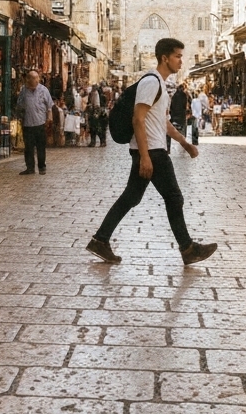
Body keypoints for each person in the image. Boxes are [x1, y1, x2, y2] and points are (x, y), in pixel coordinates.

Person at [85, 38, 218, 266]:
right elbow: (138, 119)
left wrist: (184, 143)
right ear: (165, 58)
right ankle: (187, 248)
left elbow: (161, 122)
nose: (181, 61)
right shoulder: (151, 82)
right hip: (153, 151)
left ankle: (100, 240)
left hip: (151, 149)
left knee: (131, 197)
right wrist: (145, 156)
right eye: (177, 56)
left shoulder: (159, 84)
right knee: (174, 198)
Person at [16, 68, 53, 174]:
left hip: (40, 123)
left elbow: (49, 106)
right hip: (27, 124)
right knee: (28, 148)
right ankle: (30, 168)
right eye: (33, 78)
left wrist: (49, 119)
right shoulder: (24, 91)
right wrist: (20, 116)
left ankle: (42, 167)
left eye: (37, 78)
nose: (36, 80)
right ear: (28, 79)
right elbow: (19, 105)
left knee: (41, 147)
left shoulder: (44, 90)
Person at [168, 81, 188, 154]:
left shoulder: (174, 96)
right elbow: (184, 105)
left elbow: (171, 106)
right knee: (183, 131)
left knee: (168, 133)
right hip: (181, 116)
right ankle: (184, 144)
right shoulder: (184, 95)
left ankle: (168, 148)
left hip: (173, 116)